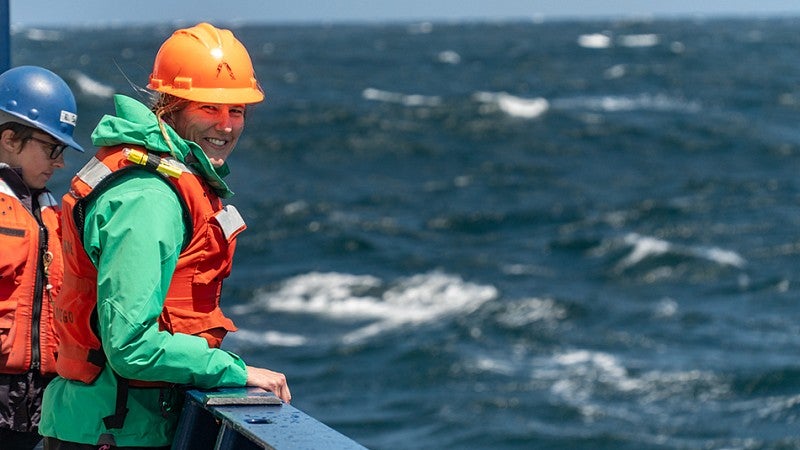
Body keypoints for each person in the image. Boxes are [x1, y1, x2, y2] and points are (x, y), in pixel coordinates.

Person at [39, 23, 291, 449]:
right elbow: (131, 344)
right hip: (112, 432)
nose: (226, 126)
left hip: (109, 426)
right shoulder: (148, 197)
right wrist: (235, 371)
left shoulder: (154, 178)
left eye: (237, 111)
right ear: (170, 107)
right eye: (208, 109)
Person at [0, 65, 84, 450]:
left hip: (38, 413)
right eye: (52, 148)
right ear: (10, 139)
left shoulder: (51, 213)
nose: (60, 162)